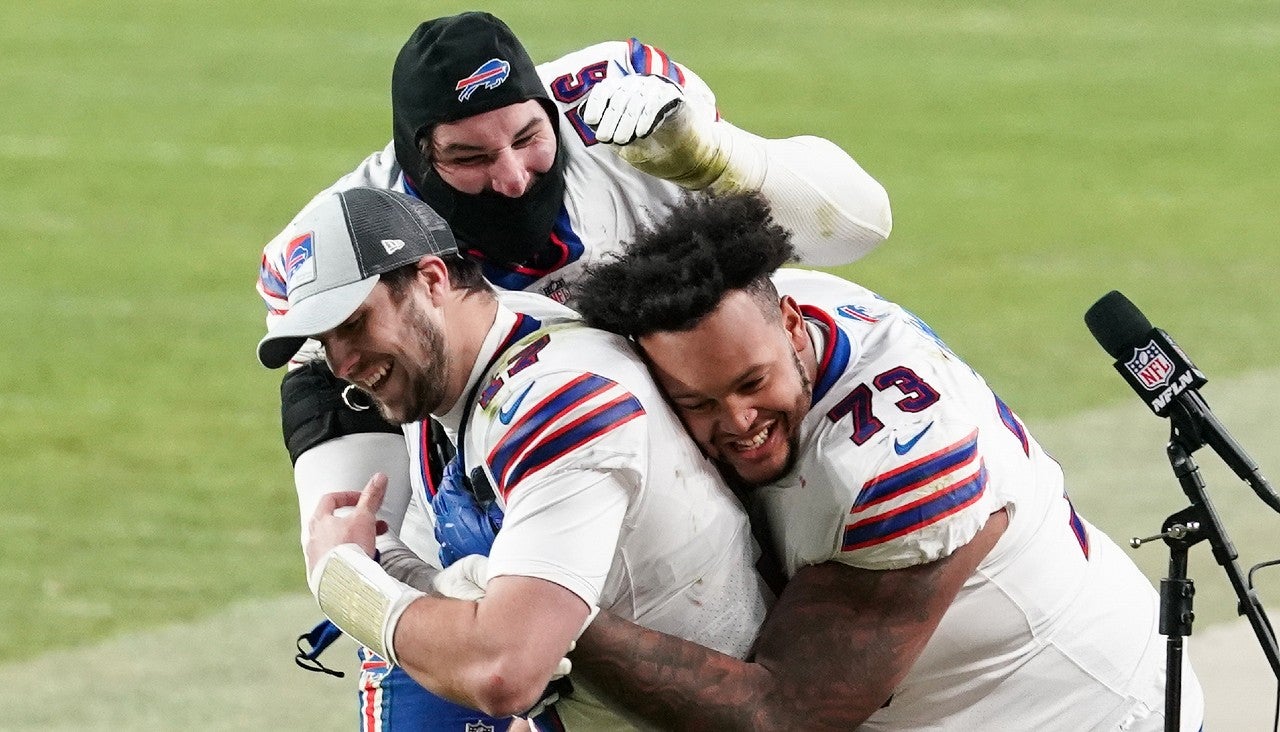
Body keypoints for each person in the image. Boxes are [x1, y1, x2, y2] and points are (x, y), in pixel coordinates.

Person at [256, 10, 891, 728]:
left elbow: (861, 226)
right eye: (468, 159)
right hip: (479, 506)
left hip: (647, 475)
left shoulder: (617, 110)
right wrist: (358, 551)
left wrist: (716, 155)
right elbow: (324, 377)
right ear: (416, 164)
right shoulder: (355, 233)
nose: (511, 176)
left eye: (529, 137)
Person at [539, 191, 1202, 730]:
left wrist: (549, 608)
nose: (738, 421)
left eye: (751, 384)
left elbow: (782, 715)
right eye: (697, 401)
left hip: (1082, 710)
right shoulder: (768, 301)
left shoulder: (896, 466)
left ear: (793, 326)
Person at [258, 186, 774, 729]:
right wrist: (388, 563)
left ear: (432, 281)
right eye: (325, 340)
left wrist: (342, 580)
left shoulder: (557, 403)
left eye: (355, 323)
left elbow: (504, 670)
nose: (341, 364)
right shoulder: (469, 357)